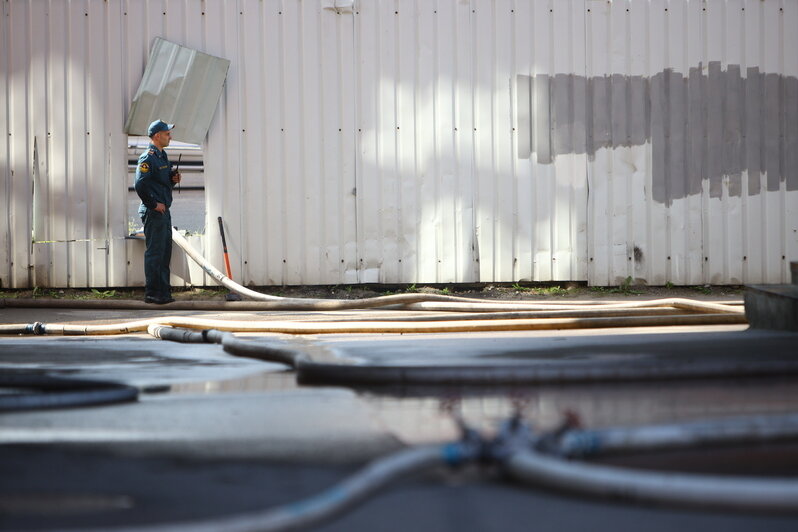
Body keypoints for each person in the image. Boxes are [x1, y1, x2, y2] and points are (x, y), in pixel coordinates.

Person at [134, 119, 181, 304]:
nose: (170, 136)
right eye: (167, 133)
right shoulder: (148, 157)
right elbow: (140, 184)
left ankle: (163, 293)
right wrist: (153, 204)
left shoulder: (162, 156)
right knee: (155, 253)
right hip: (155, 212)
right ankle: (153, 293)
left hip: (163, 211)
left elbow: (160, 182)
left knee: (164, 253)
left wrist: (173, 179)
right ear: (157, 136)